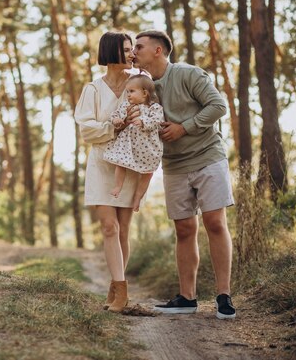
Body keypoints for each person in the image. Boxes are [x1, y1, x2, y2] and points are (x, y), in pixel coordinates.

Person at [132, 30, 236, 320]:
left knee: (215, 222)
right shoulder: (141, 87)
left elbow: (219, 106)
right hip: (174, 165)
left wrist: (184, 127)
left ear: (158, 50)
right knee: (184, 230)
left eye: (139, 46)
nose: (134, 51)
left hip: (207, 157)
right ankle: (187, 298)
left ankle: (224, 296)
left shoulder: (189, 74)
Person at [74, 31, 137, 313]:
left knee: (123, 230)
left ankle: (117, 286)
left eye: (133, 49)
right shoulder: (93, 89)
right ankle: (121, 292)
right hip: (101, 165)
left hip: (129, 164)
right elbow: (87, 130)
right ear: (112, 52)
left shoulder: (137, 84)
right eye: (126, 49)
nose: (132, 54)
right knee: (108, 227)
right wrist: (114, 128)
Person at [103, 74, 164, 212]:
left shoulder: (154, 108)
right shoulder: (126, 105)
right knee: (120, 162)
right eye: (127, 92)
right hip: (128, 144)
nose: (128, 95)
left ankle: (138, 197)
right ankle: (118, 186)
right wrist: (116, 120)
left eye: (132, 91)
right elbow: (115, 114)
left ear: (144, 93)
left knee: (148, 172)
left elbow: (157, 120)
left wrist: (143, 121)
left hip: (148, 145)